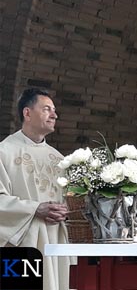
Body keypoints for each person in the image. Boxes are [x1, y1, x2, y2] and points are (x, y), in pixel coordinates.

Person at [0, 88, 70, 290]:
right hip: (22, 243)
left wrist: (66, 209)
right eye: (47, 109)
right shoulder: (4, 152)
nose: (54, 115)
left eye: (54, 110)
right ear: (27, 113)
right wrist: (35, 209)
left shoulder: (59, 159)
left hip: (56, 239)